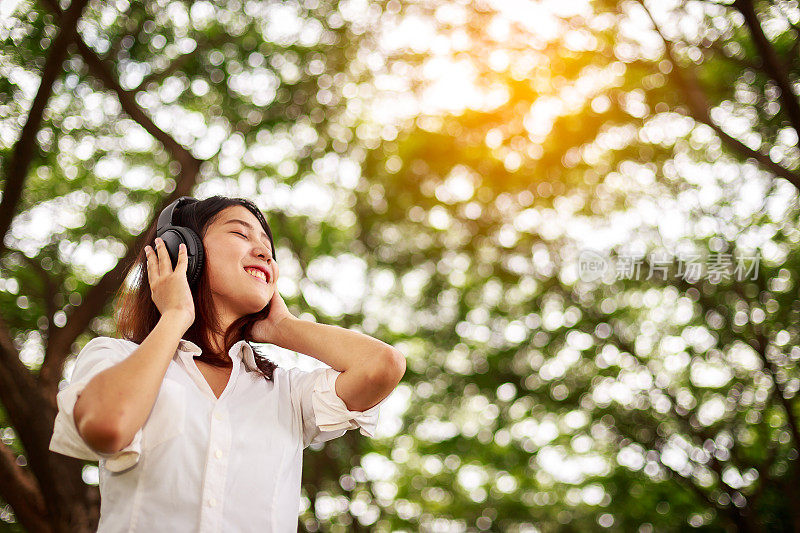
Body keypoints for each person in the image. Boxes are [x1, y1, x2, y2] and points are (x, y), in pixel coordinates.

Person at [48, 196, 406, 532]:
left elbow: (382, 365)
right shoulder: (114, 358)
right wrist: (176, 314)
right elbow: (108, 427)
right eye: (239, 232)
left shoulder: (289, 393)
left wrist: (283, 327)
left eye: (267, 245)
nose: (264, 252)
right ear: (181, 251)